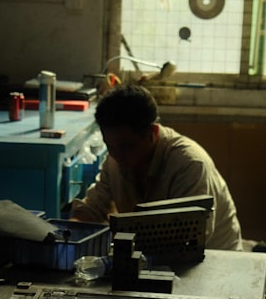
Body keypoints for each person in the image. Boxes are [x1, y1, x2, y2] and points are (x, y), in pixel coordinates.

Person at [70, 83, 242, 251]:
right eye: (110, 146)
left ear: (153, 133)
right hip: (153, 257)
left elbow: (191, 240)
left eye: (127, 147)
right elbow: (92, 209)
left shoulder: (189, 165)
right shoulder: (115, 160)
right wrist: (69, 233)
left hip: (213, 261)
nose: (117, 156)